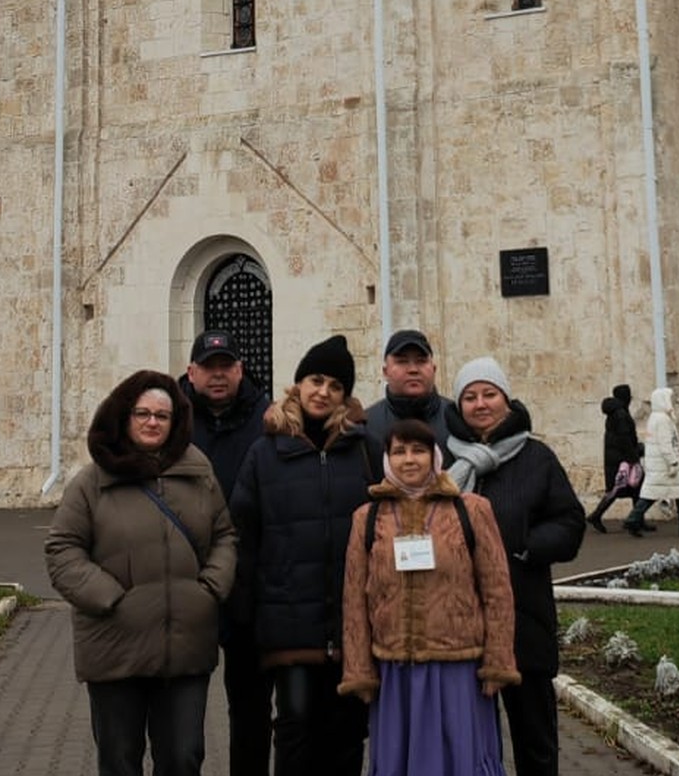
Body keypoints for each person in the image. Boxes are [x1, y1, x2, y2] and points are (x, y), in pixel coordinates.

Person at [45, 369, 236, 776]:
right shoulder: (92, 482)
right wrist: (110, 598)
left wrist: (210, 589)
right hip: (116, 643)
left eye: (162, 416)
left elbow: (224, 534)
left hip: (185, 644)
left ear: (176, 422)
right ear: (124, 416)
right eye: (142, 413)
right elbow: (62, 549)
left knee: (184, 757)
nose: (152, 422)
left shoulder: (198, 472)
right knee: (119, 760)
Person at [230, 334, 380, 776]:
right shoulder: (266, 452)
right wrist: (244, 610)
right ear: (298, 385)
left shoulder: (365, 451)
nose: (323, 392)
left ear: (344, 395)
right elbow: (244, 532)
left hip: (350, 620)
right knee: (295, 727)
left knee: (348, 732)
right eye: (316, 380)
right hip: (288, 621)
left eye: (335, 385)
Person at [340, 418, 519, 776]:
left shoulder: (471, 510)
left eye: (419, 450)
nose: (409, 459)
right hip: (395, 670)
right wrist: (359, 668)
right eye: (400, 451)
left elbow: (497, 588)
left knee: (460, 759)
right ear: (387, 459)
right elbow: (355, 597)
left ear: (434, 456)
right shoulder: (367, 517)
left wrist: (498, 660)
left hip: (458, 667)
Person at [445, 358, 585, 776]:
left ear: (506, 399)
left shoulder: (536, 457)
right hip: (461, 623)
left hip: (524, 617)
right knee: (468, 738)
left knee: (534, 738)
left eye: (489, 394)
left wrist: (527, 546)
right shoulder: (445, 458)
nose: (480, 404)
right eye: (470, 396)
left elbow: (569, 522)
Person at [180, 330, 272, 776]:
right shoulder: (171, 421)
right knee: (179, 713)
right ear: (191, 372)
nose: (218, 376)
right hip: (184, 587)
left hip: (246, 586)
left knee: (251, 708)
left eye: (226, 367)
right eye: (209, 368)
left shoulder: (266, 418)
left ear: (239, 370)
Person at [623, 386, 679, 538]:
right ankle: (634, 519)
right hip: (665, 465)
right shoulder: (663, 420)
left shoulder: (656, 417)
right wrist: (672, 462)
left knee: (672, 494)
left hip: (660, 464)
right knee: (657, 494)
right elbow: (665, 443)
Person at [364, 328, 451, 456]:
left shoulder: (457, 419)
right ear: (385, 371)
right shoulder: (366, 426)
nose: (413, 370)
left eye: (421, 361)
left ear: (434, 369)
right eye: (402, 362)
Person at [585, 384, 650, 534]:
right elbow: (624, 438)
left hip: (617, 458)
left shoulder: (616, 412)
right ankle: (597, 515)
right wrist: (634, 456)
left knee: (633, 488)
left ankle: (637, 520)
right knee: (619, 489)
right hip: (622, 460)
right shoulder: (620, 414)